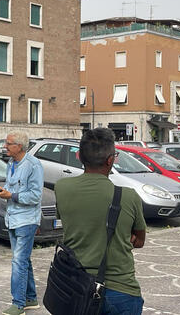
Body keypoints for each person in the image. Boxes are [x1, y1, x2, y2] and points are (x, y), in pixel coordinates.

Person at [55, 128, 146, 315]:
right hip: (121, 290)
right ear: (111, 160)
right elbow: (139, 241)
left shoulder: (62, 187)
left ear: (79, 156)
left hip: (76, 287)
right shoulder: (129, 196)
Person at [0, 132, 44, 315]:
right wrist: (6, 191)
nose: (5, 146)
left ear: (20, 146)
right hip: (13, 218)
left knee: (18, 261)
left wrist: (12, 195)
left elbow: (35, 195)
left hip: (27, 220)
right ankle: (31, 298)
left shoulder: (33, 165)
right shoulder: (11, 163)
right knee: (23, 260)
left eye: (9, 144)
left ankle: (18, 304)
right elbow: (14, 187)